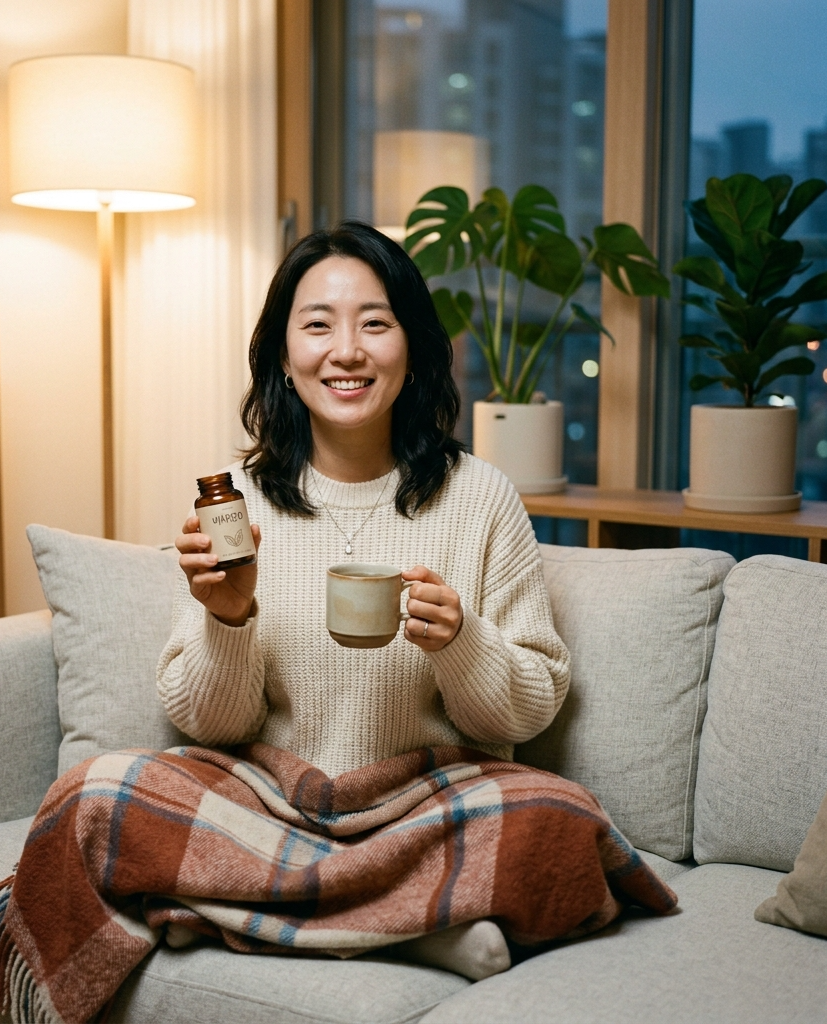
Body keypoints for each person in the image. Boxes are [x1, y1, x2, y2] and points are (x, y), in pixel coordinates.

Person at [158, 221, 571, 980]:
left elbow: (530, 708)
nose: (346, 351)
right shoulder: (235, 500)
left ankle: (229, 913)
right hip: (275, 801)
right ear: (283, 357)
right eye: (317, 325)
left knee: (561, 822)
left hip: (423, 807)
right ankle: (416, 930)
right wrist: (228, 617)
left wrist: (460, 641)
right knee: (103, 792)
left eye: (374, 324)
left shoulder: (480, 497)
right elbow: (212, 725)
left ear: (411, 348)